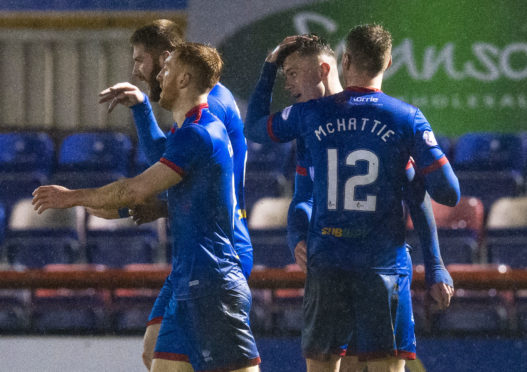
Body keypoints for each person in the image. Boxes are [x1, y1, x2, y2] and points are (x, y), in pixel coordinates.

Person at [33, 42, 260, 372]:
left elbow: (134, 189)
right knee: (159, 363)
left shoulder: (197, 133)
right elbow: (186, 196)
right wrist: (154, 208)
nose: (159, 76)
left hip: (212, 282)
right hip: (190, 279)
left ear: (184, 80)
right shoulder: (186, 130)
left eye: (167, 70)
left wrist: (71, 197)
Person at [244, 25, 460, 372]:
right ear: (388, 62)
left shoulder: (309, 119)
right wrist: (435, 265)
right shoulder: (406, 118)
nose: (289, 83)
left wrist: (269, 67)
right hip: (382, 267)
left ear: (343, 61)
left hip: (328, 262)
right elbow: (446, 194)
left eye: (293, 74)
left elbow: (253, 128)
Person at [94, 19, 253, 369]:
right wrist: (140, 107)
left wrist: (92, 200)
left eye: (140, 61)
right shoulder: (198, 106)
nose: (137, 71)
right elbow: (188, 178)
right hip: (197, 253)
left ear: (167, 61)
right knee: (156, 354)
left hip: (219, 253)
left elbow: (171, 172)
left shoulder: (209, 105)